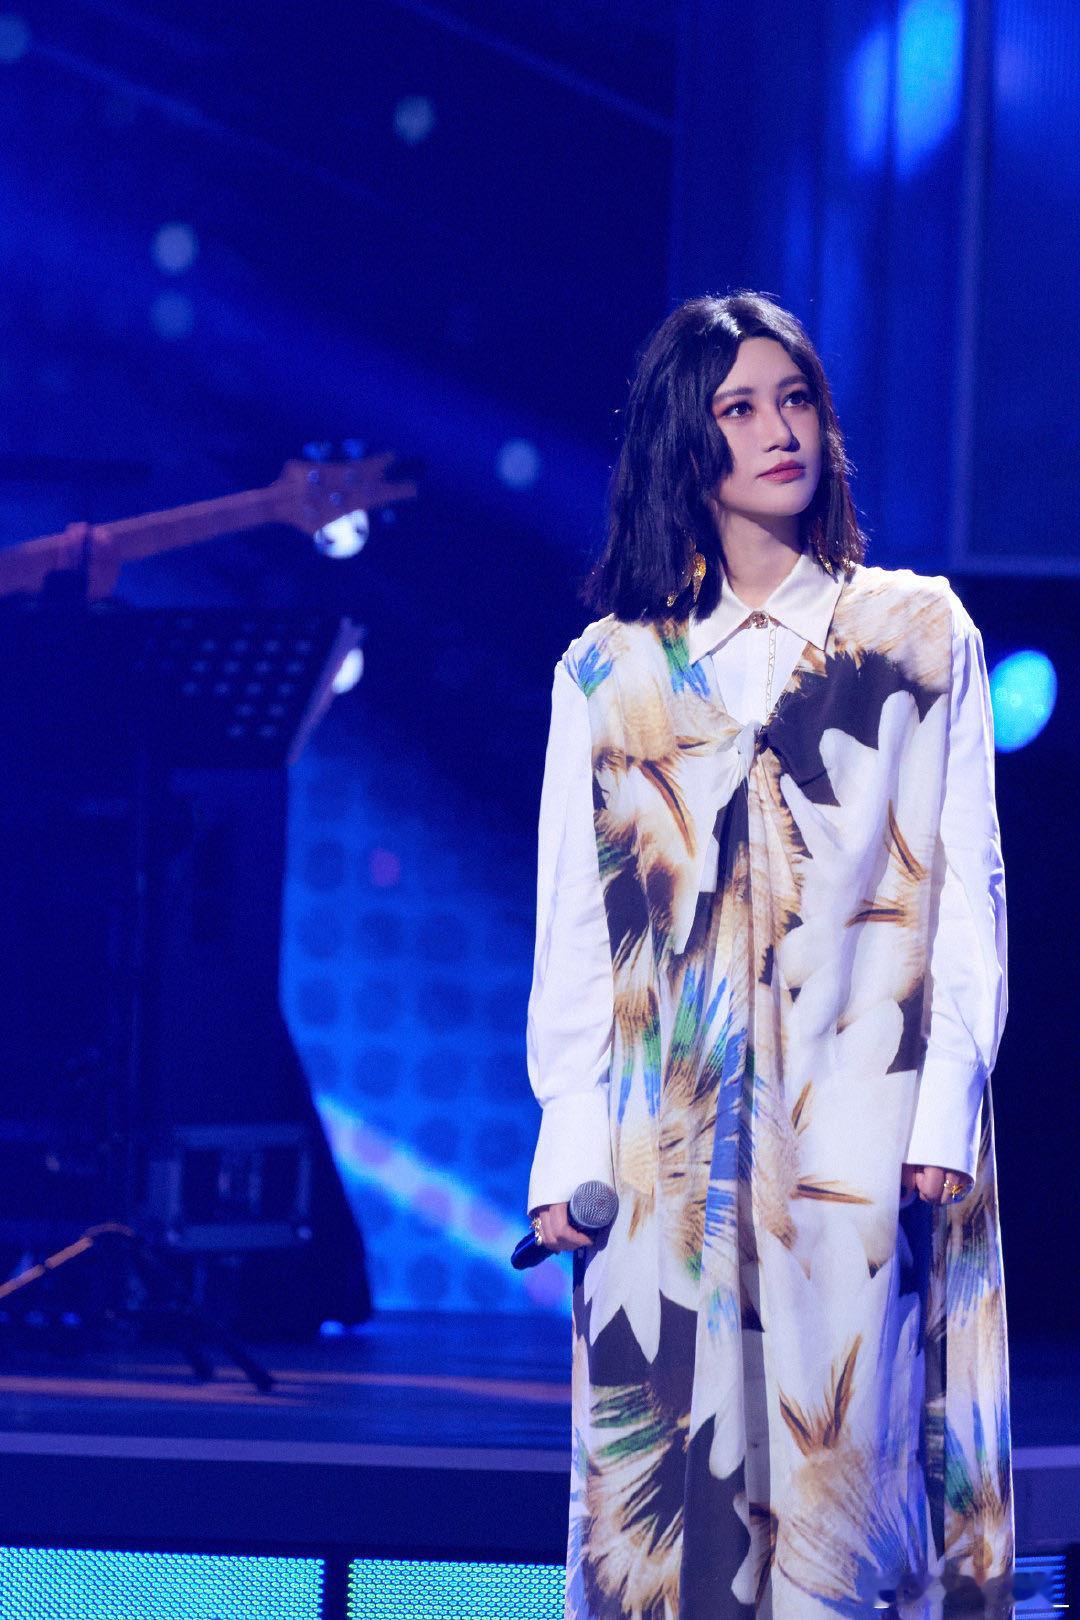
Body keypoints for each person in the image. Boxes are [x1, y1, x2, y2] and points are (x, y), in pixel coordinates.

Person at [524, 291, 1011, 1618]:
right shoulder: (610, 674)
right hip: (662, 1149)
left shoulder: (917, 636)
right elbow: (579, 933)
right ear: (686, 442)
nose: (778, 431)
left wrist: (946, 1107)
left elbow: (968, 890)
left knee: (845, 1507)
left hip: (856, 1133)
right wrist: (568, 1158)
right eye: (738, 409)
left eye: (794, 400)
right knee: (669, 1522)